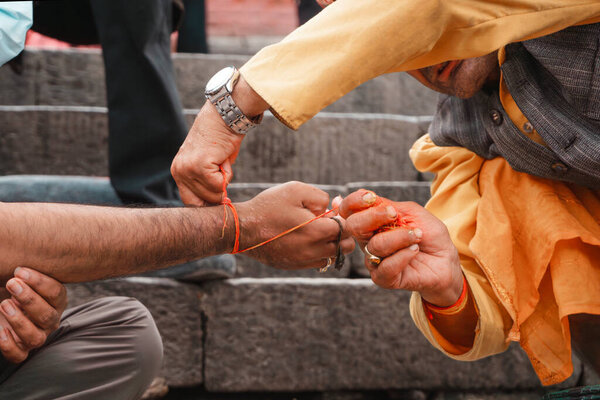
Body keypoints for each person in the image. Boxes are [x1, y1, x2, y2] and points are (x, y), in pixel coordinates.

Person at [170, 0, 600, 386]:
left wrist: (230, 107)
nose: (420, 52)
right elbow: (481, 314)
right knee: (519, 181)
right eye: (395, 44)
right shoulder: (464, 140)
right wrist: (448, 286)